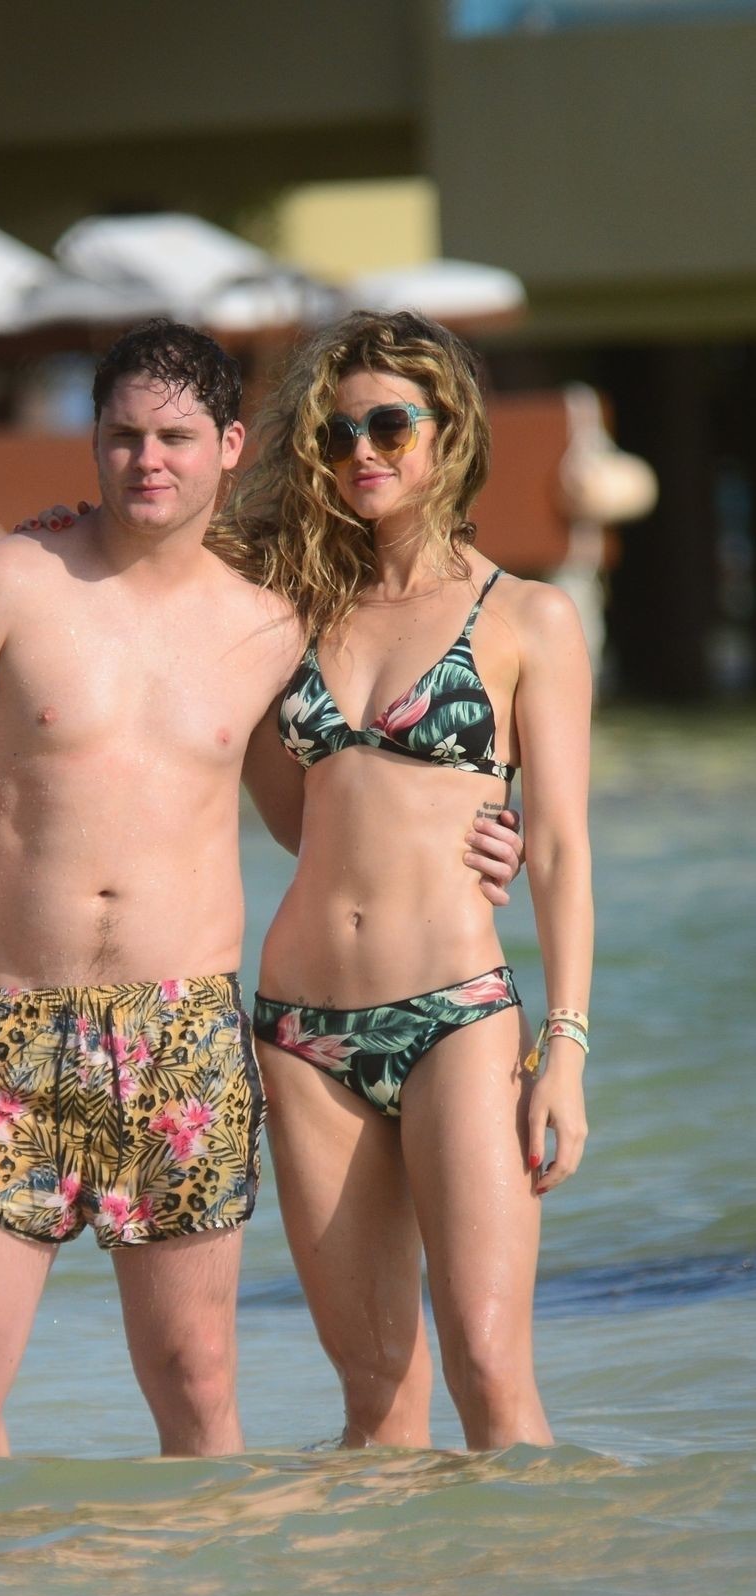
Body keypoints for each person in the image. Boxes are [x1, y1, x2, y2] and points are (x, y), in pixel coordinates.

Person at [0, 320, 520, 1461]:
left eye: (174, 438)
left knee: (197, 1378)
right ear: (93, 441)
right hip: (2, 1023)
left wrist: (483, 832)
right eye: (122, 436)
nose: (146, 461)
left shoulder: (270, 620)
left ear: (227, 447)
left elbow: (325, 809)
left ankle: (198, 1588)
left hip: (183, 1031)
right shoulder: (3, 584)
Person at [234, 310, 592, 1450]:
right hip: (300, 1030)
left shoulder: (527, 616)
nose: (363, 453)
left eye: (390, 425)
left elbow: (562, 848)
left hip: (456, 1017)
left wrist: (567, 1048)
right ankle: (392, 1581)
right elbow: (301, 822)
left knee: (489, 1371)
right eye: (337, 434)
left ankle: (548, 1572)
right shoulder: (289, 609)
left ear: (450, 431)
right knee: (376, 1393)